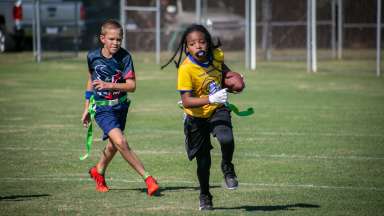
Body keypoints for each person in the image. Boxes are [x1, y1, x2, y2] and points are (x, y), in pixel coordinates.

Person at [162, 24, 239, 210]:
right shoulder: (186, 69)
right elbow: (187, 101)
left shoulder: (216, 55)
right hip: (195, 117)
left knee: (226, 138)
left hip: (217, 109)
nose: (198, 46)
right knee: (203, 162)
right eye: (193, 44)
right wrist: (211, 97)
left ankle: (227, 166)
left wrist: (232, 79)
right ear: (187, 47)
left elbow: (223, 69)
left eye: (202, 42)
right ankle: (205, 195)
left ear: (208, 43)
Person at [81, 19, 159, 196]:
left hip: (121, 107)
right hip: (102, 108)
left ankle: (98, 171)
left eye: (119, 39)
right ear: (102, 38)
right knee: (121, 142)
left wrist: (108, 85)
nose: (115, 43)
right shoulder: (92, 56)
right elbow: (90, 81)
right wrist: (86, 107)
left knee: (114, 145)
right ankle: (148, 179)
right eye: (112, 39)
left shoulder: (125, 57)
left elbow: (132, 86)